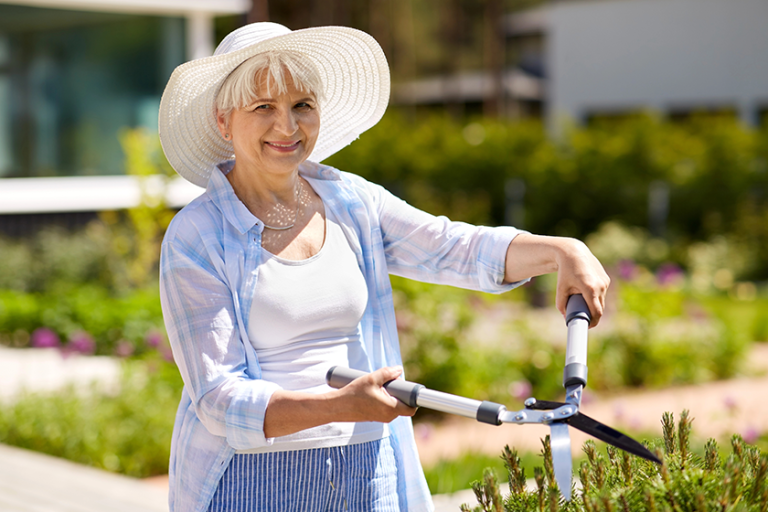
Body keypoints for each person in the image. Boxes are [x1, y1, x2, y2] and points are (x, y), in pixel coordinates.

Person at [157, 22, 609, 512]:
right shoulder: (196, 236)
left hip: (370, 469)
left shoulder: (351, 201)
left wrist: (562, 251)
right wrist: (339, 406)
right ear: (224, 122)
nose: (287, 127)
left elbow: (451, 246)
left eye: (302, 106)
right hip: (252, 480)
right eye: (263, 107)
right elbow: (219, 399)